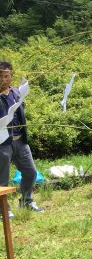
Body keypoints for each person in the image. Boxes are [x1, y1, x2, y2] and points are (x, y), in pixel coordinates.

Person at [0, 61, 44, 214]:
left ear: (11, 76)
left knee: (30, 172)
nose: (4, 80)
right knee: (2, 179)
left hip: (20, 140)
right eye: (1, 77)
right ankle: (3, 210)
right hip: (2, 143)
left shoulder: (16, 93)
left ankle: (26, 200)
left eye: (7, 76)